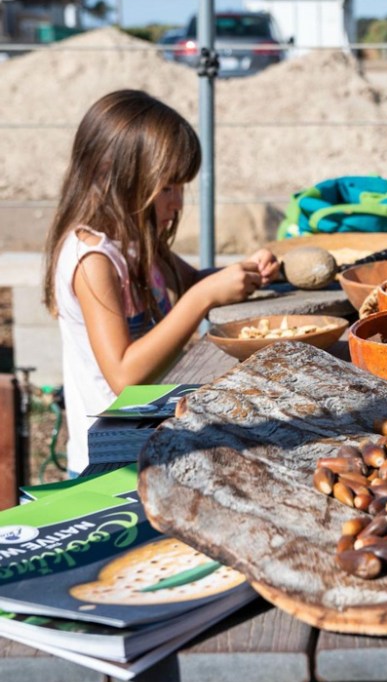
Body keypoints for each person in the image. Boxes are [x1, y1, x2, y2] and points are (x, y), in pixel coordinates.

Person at [43, 89, 280, 477]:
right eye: (168, 187)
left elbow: (193, 283)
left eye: (182, 187)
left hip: (153, 442)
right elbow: (124, 376)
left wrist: (245, 272)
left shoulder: (139, 242)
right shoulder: (93, 260)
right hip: (109, 463)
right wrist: (203, 297)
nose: (179, 202)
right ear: (116, 178)